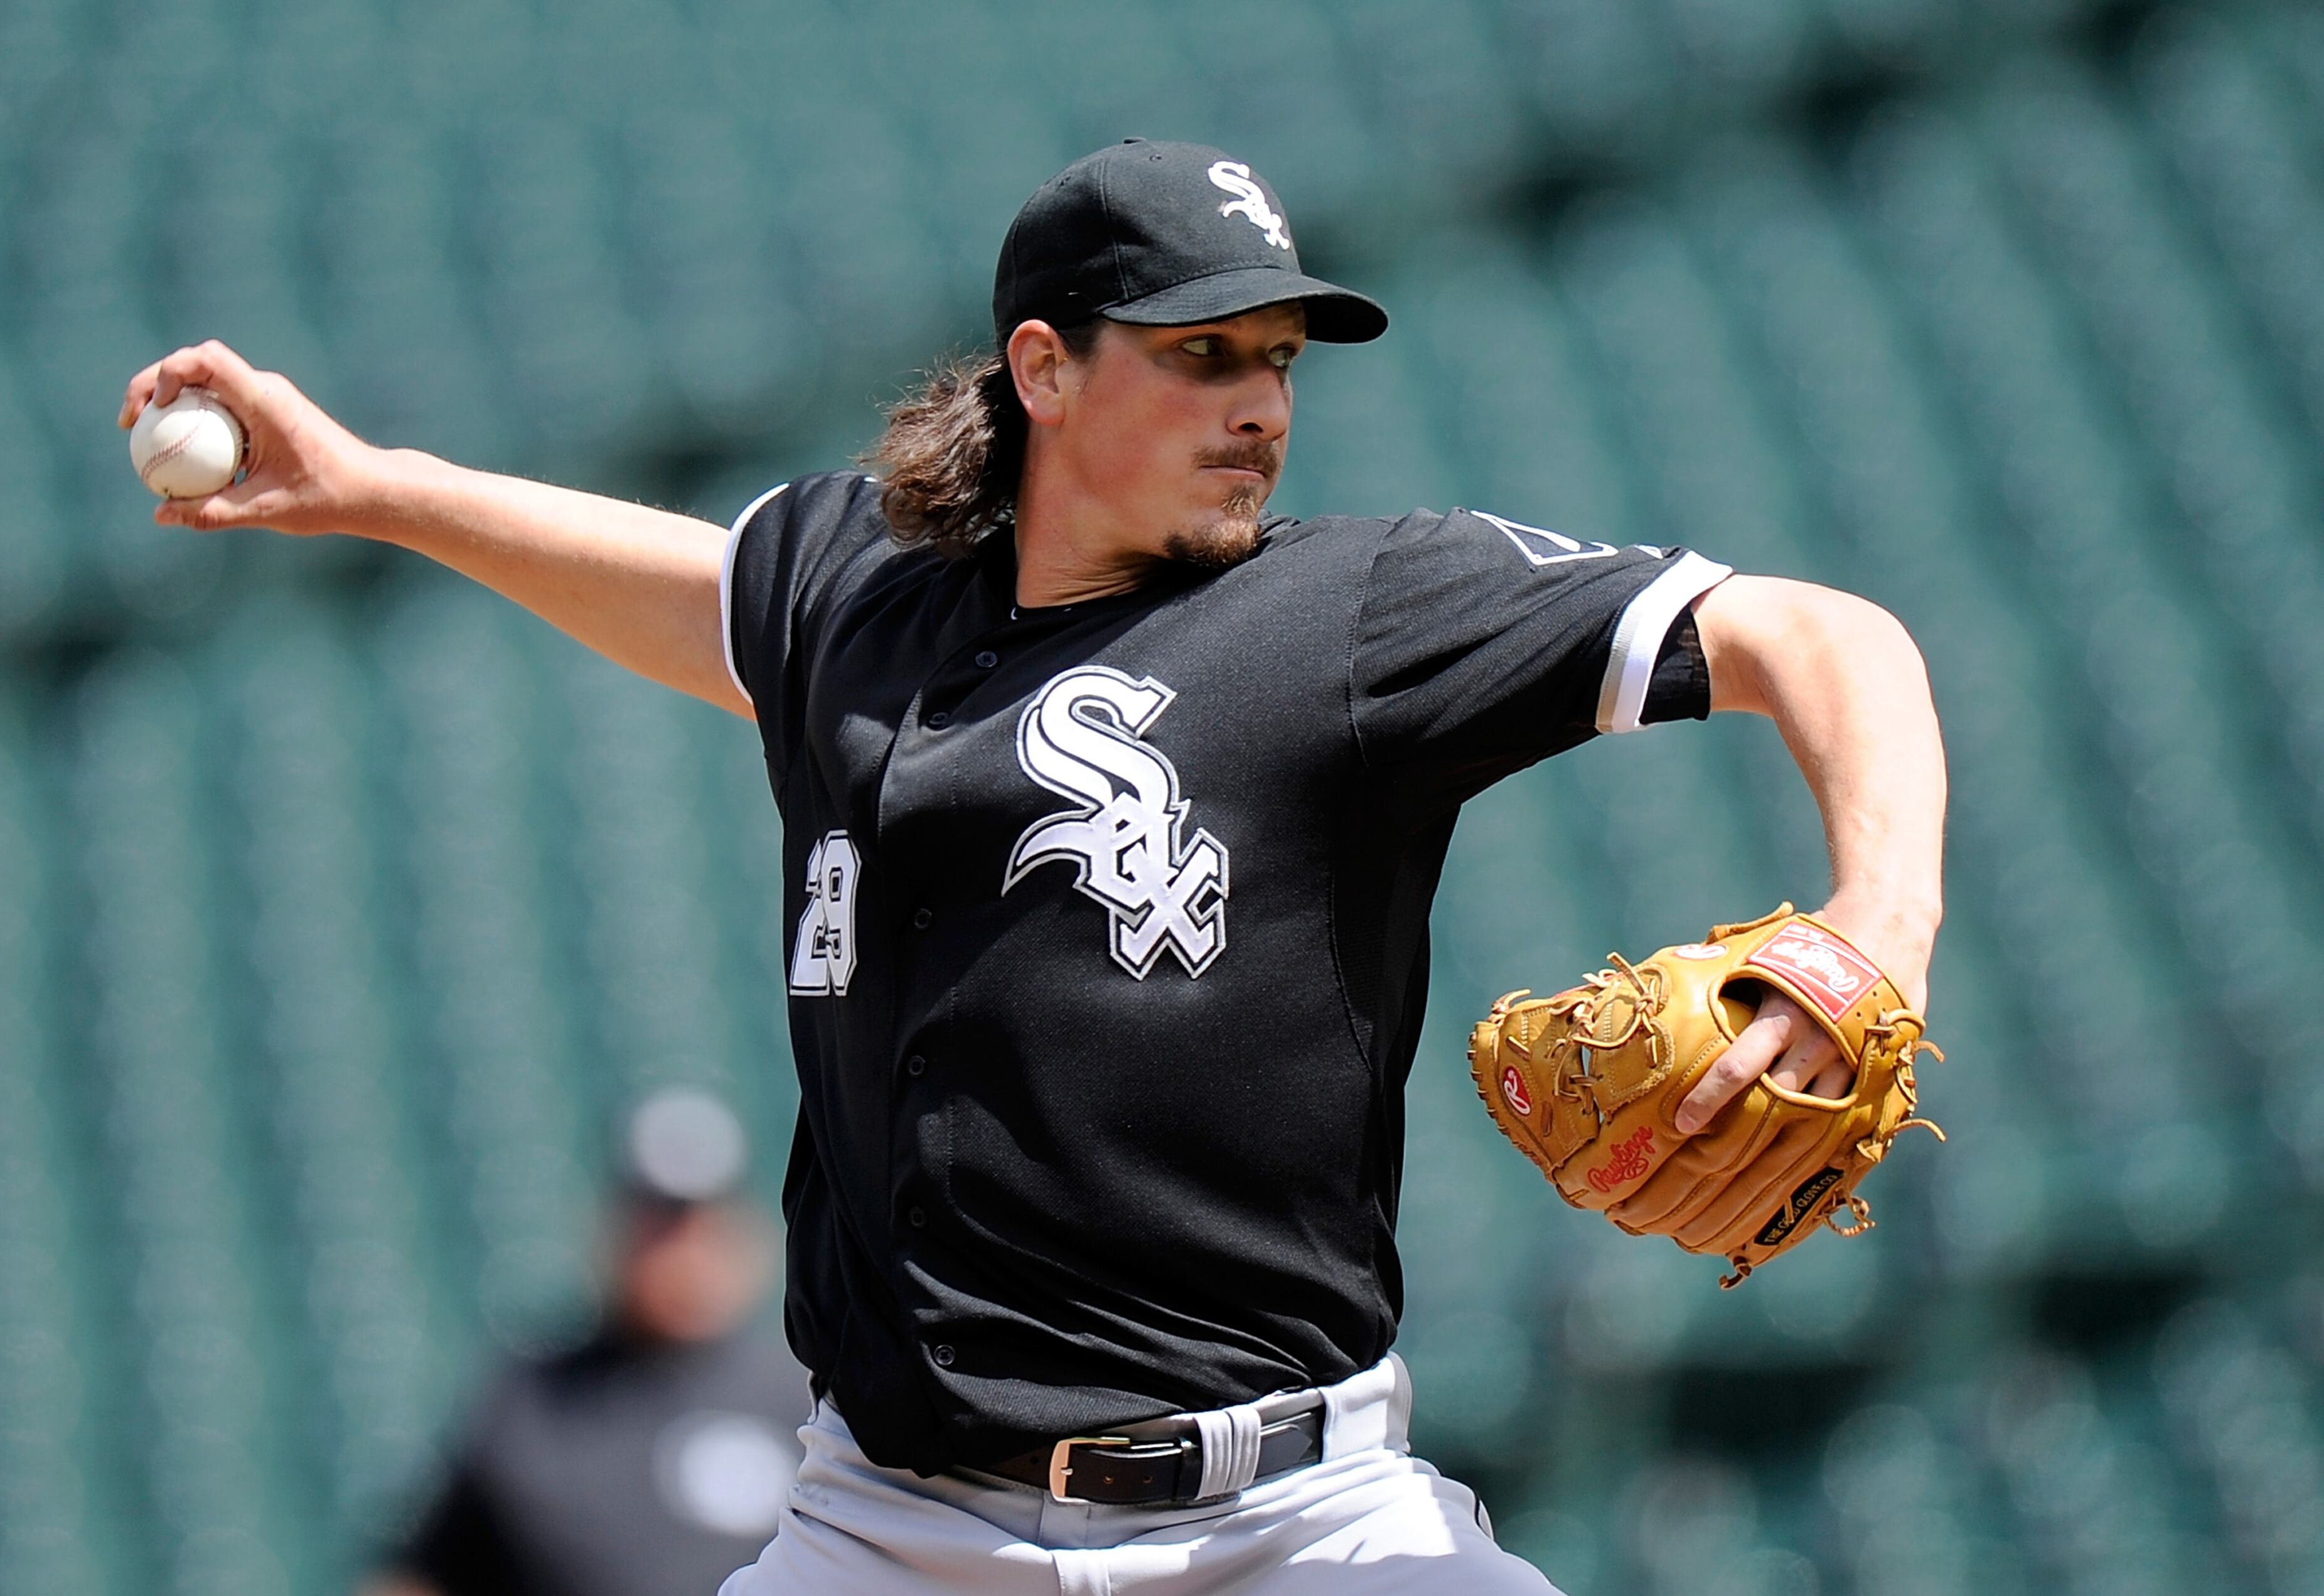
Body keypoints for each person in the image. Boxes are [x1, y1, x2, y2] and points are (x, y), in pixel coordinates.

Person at [124, 139, 1945, 1593]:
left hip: (1291, 1521)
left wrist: (1881, 921)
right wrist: (371, 484)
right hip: (895, 1524)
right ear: (1044, 368)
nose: (1263, 403)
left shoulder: (1352, 608)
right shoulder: (853, 588)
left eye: (1280, 361)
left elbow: (1822, 632)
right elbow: (700, 596)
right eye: (1206, 352)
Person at [363, 1089, 809, 1596]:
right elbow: (417, 1577)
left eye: (700, 1223)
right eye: (659, 1223)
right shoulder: (532, 1407)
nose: (684, 1250)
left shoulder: (803, 1400)